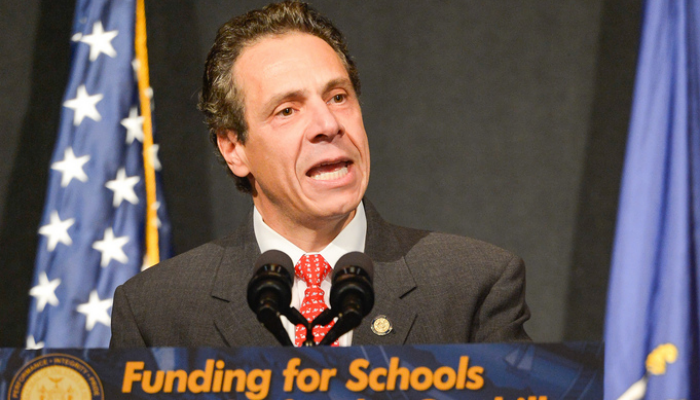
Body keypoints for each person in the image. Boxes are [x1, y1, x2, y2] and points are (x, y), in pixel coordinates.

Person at [110, 1, 530, 348]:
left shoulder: (472, 285)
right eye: (287, 110)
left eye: (338, 96)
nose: (328, 124)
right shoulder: (156, 311)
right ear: (234, 148)